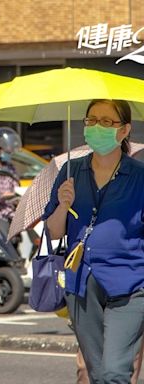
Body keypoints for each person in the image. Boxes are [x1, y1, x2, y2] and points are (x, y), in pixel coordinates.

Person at [44, 99, 144, 383]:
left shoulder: (139, 177)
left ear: (124, 130)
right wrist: (63, 205)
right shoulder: (69, 172)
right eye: (91, 121)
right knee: (96, 372)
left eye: (106, 122)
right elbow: (53, 233)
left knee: (115, 372)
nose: (96, 128)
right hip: (81, 282)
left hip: (131, 285)